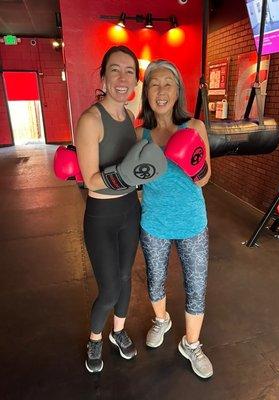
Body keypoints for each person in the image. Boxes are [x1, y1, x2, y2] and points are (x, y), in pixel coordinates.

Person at [75, 46, 166, 373]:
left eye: (130, 71)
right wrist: (127, 174)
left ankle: (118, 331)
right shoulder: (90, 120)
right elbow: (90, 180)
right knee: (110, 287)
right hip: (101, 217)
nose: (123, 78)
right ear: (103, 76)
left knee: (126, 279)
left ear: (135, 80)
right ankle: (95, 339)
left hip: (130, 211)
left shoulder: (129, 117)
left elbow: (136, 168)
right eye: (115, 70)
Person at [136, 59, 213, 379]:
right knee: (154, 280)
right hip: (154, 222)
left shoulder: (194, 127)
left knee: (196, 285)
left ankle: (191, 344)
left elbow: (207, 177)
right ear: (147, 92)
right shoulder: (139, 133)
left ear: (178, 90)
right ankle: (162, 320)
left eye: (168, 83)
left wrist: (193, 165)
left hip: (192, 220)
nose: (162, 89)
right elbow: (134, 176)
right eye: (155, 83)